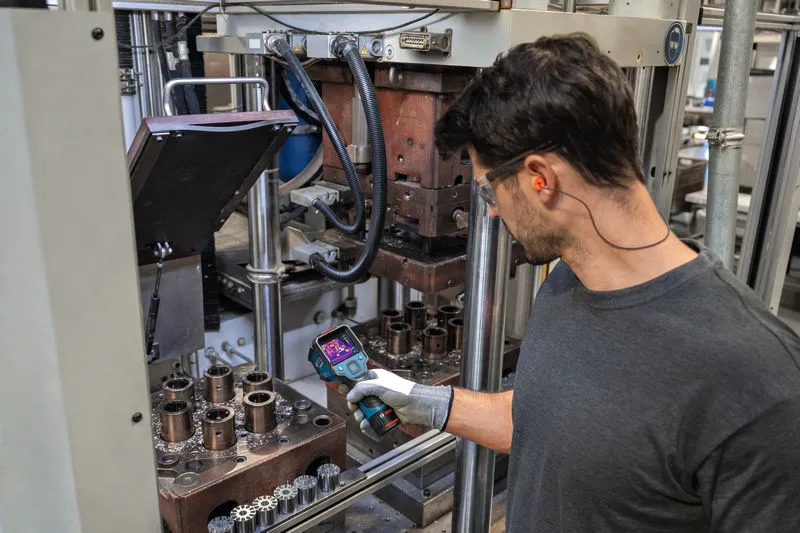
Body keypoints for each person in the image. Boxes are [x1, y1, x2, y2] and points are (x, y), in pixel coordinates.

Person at [347, 33, 800, 532]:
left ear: (541, 178)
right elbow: (547, 422)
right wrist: (428, 402)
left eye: (488, 188)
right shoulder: (567, 283)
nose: (492, 210)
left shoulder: (758, 383)